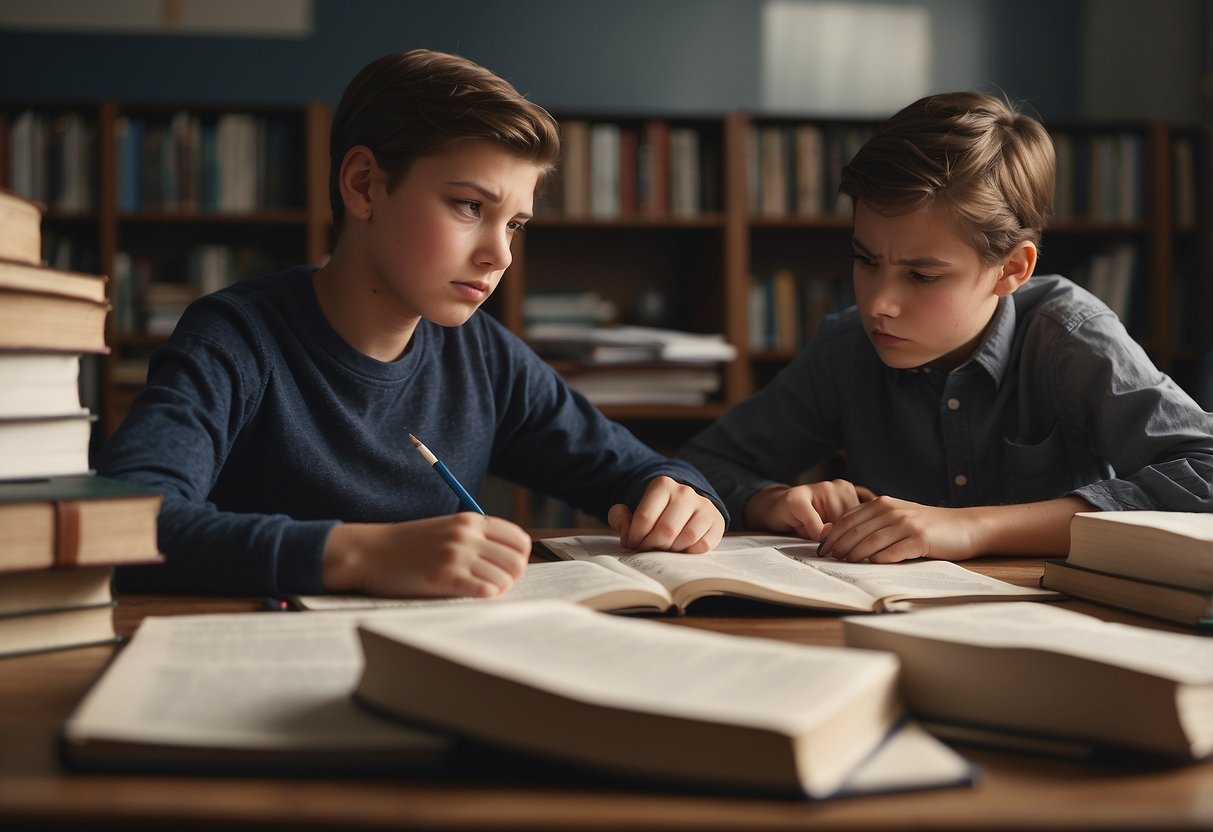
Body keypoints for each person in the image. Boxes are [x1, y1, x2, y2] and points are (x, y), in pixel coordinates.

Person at [98, 49, 727, 599]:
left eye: (514, 223)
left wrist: (681, 495)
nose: (500, 254)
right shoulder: (235, 339)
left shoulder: (482, 355)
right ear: (365, 184)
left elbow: (638, 469)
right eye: (469, 206)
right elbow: (125, 521)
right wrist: (361, 555)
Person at [679, 91, 1213, 563]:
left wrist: (970, 527)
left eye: (922, 275)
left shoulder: (1067, 336)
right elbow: (700, 464)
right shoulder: (846, 349)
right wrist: (769, 499)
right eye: (866, 261)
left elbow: (1206, 471)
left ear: (1012, 270)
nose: (879, 304)